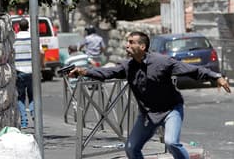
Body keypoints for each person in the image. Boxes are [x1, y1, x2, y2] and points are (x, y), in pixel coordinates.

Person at [69, 31, 231, 159]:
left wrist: (216, 77)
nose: (127, 46)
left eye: (131, 42)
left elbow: (192, 70)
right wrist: (84, 71)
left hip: (170, 110)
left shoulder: (162, 62)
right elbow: (107, 72)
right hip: (148, 115)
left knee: (171, 142)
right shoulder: (127, 66)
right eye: (127, 42)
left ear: (142, 47)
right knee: (132, 149)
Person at [13, 18, 34, 129]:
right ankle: (34, 115)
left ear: (19, 27)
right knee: (32, 96)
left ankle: (24, 122)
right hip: (31, 71)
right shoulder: (33, 37)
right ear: (28, 27)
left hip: (19, 71)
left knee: (20, 98)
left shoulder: (15, 38)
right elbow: (40, 52)